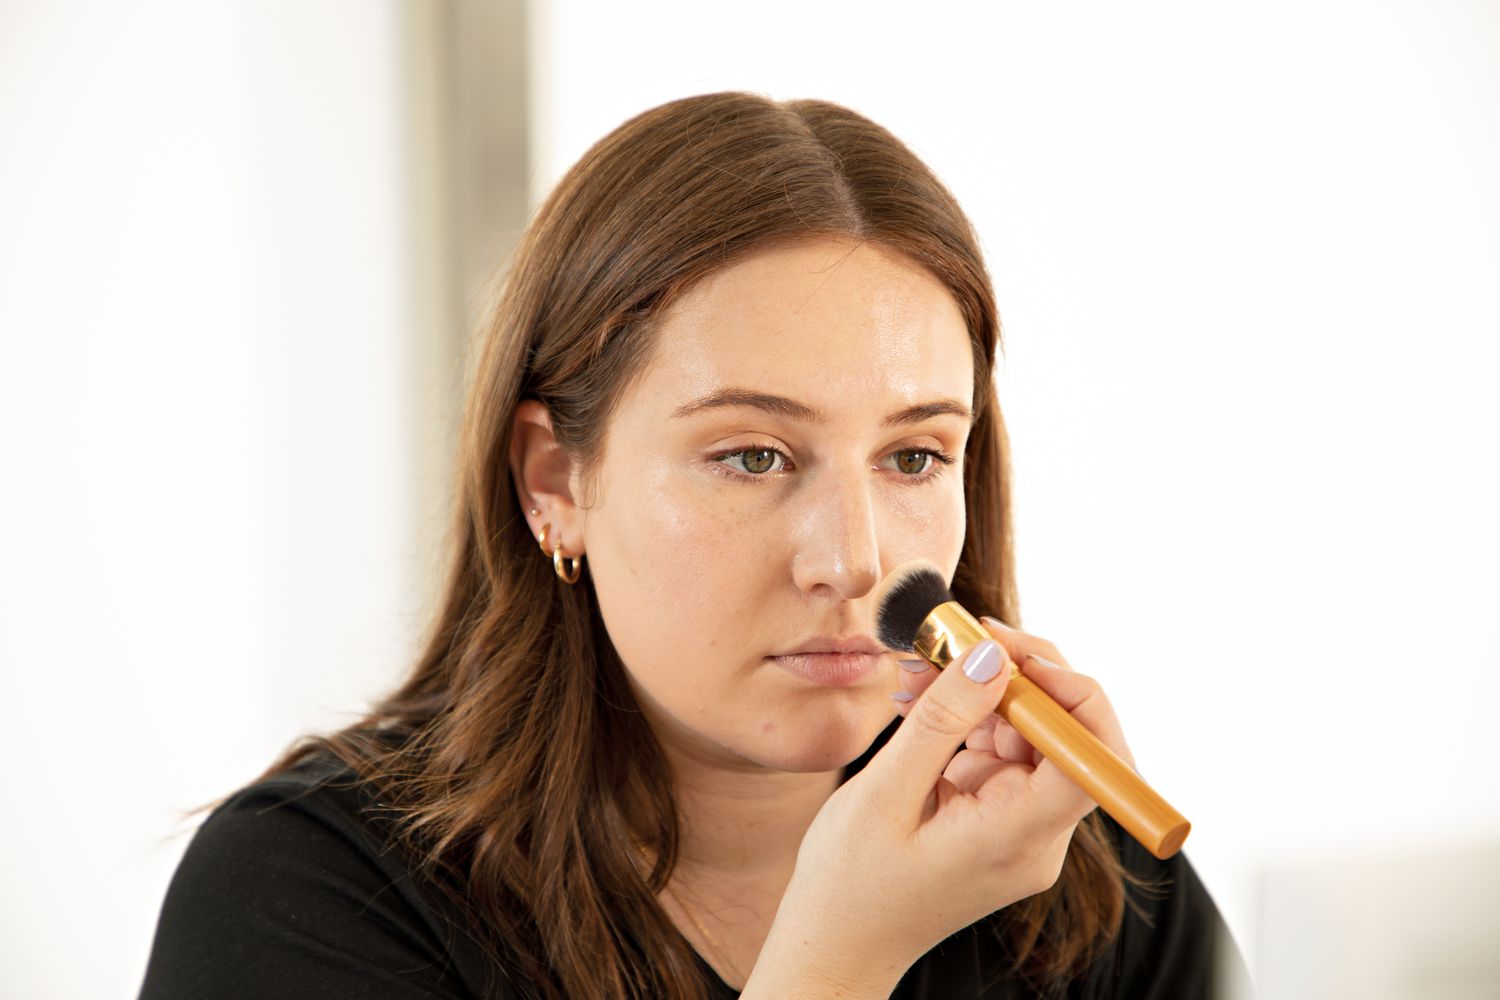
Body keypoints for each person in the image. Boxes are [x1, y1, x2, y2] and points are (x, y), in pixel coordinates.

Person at [138, 91, 1252, 999]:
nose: (854, 563)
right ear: (554, 481)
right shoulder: (305, 892)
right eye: (753, 457)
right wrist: (842, 958)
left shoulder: (1071, 875)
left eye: (913, 457)